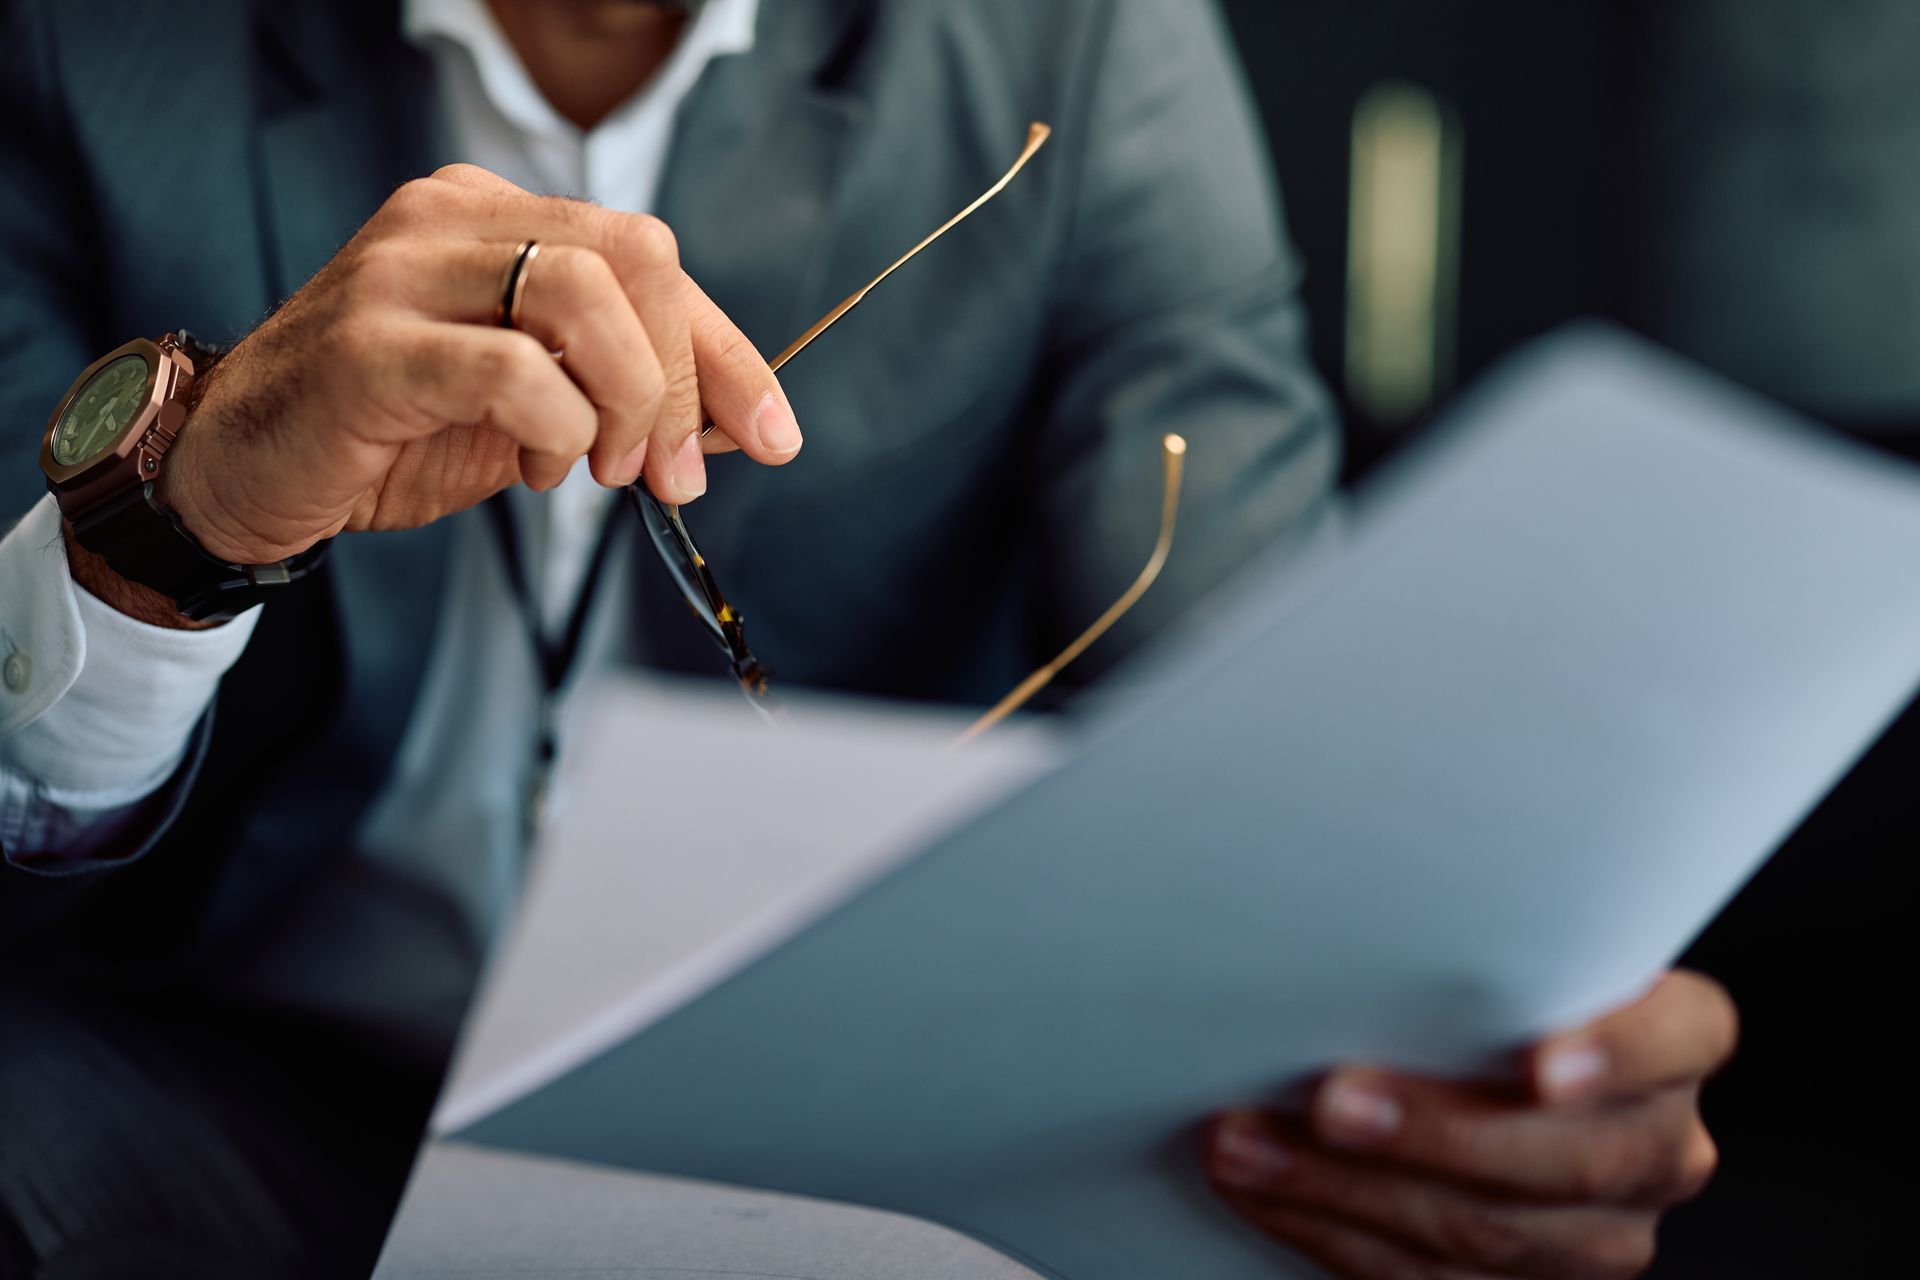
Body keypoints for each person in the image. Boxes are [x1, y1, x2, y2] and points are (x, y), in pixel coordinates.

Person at [0, 1, 1736, 1277]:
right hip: (233, 1080)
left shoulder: (1078, 52)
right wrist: (185, 514)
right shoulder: (86, 47)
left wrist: (1450, 1046)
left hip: (852, 1149)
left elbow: (1247, 708)